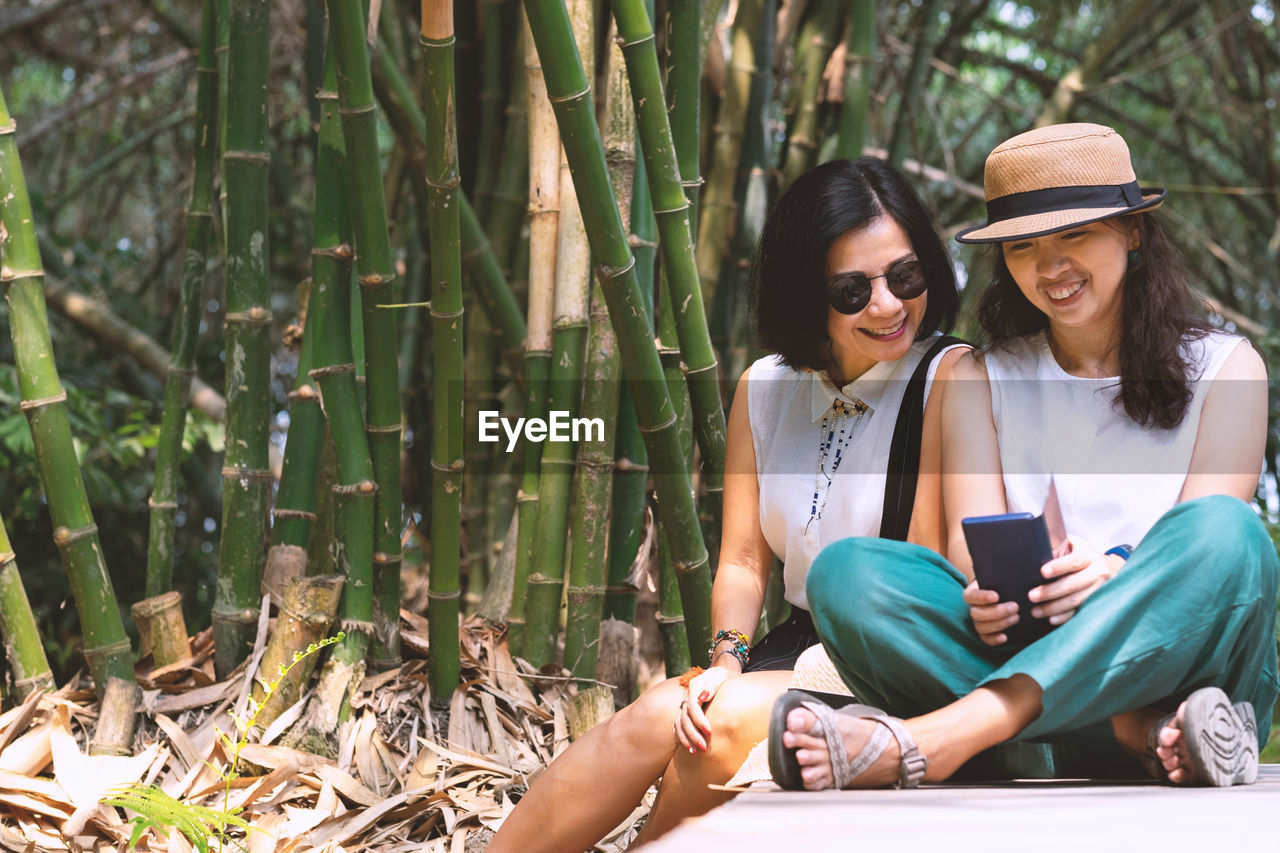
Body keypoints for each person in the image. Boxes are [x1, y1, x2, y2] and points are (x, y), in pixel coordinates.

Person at [771, 122, 1277, 791]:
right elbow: (966, 545)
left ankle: (952, 735)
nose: (1051, 265)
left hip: (1189, 670)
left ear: (1132, 230)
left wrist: (1113, 576)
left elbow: (1199, 561)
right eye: (1024, 245)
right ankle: (1139, 733)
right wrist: (985, 596)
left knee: (1228, 531)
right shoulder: (981, 377)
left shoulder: (1228, 368)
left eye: (1075, 235)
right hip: (1091, 672)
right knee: (849, 574)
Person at [488, 157, 967, 852]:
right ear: (808, 296)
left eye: (906, 276)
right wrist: (727, 660)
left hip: (895, 660)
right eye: (853, 290)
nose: (889, 305)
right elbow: (744, 558)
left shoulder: (949, 377)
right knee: (660, 713)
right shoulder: (768, 388)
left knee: (714, 727)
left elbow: (924, 571)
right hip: (797, 647)